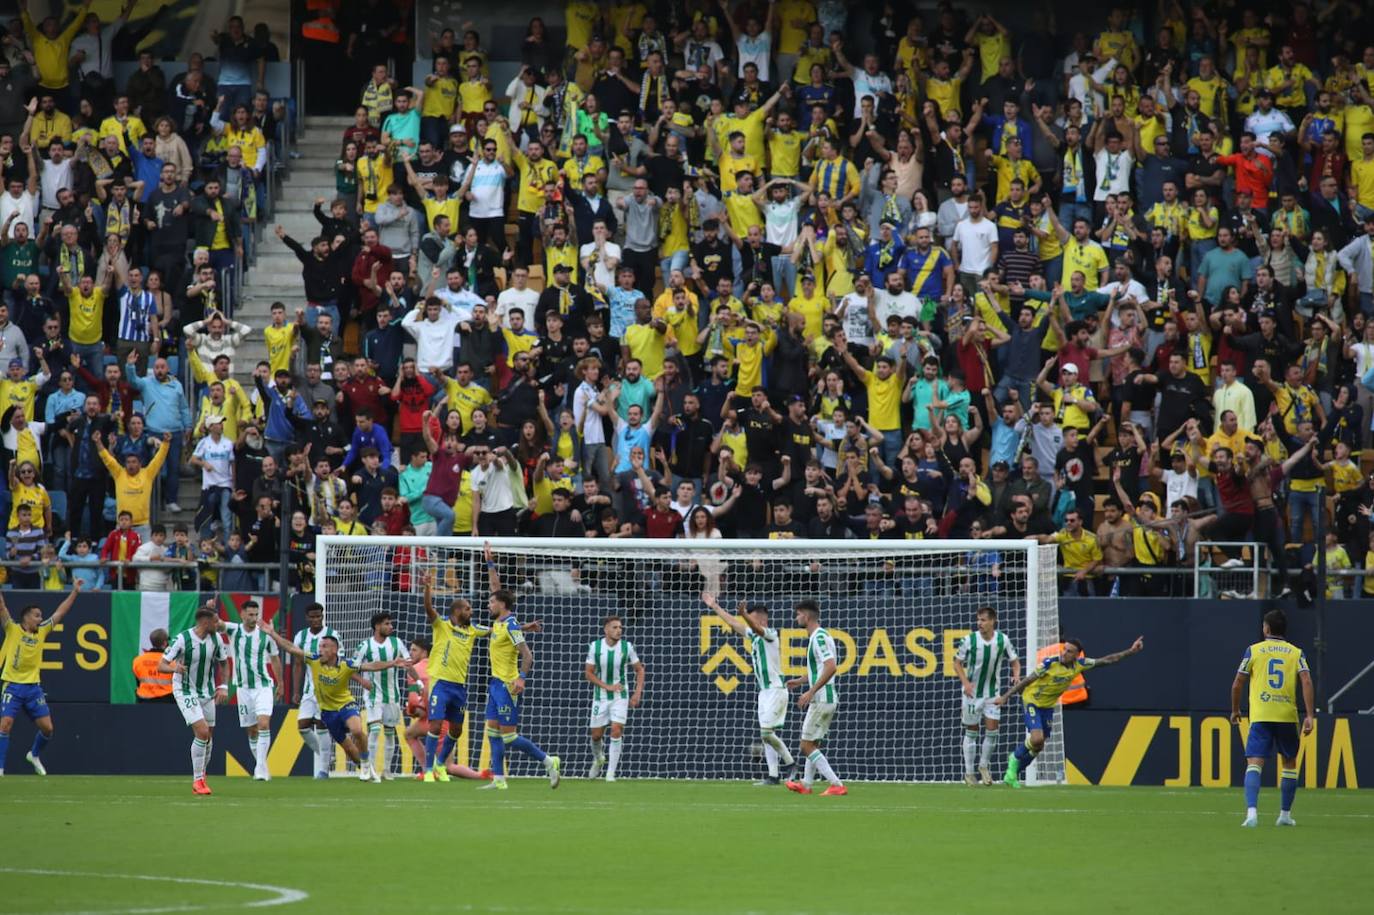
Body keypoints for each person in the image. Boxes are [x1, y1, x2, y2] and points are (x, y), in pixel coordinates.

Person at [263, 615, 409, 785]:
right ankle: (366, 768)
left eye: (324, 646)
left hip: (346, 704)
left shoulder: (346, 664)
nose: (320, 649)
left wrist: (392, 663)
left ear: (334, 650)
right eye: (319, 646)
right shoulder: (314, 660)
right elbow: (290, 648)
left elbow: (371, 665)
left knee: (356, 730)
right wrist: (272, 633)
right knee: (349, 749)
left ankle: (367, 764)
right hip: (327, 711)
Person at [995, 634, 1145, 788]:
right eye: (1064, 649)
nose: (1064, 653)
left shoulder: (1080, 664)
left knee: (1039, 746)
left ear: (1077, 655)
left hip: (1047, 706)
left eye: (1069, 651)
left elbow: (1107, 659)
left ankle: (1012, 773)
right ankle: (1014, 757)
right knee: (1036, 739)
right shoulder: (1050, 663)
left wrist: (1131, 651)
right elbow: (1027, 680)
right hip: (1032, 701)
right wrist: (1006, 696)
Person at [482, 542, 560, 790]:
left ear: (502, 605)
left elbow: (528, 655)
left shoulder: (511, 625)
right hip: (495, 684)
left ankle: (548, 761)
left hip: (507, 686)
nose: (488, 604)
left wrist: (521, 678)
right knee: (492, 732)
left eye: (492, 602)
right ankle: (498, 779)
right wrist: (490, 561)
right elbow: (496, 587)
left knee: (509, 736)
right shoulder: (501, 622)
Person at [1231, 608, 1315, 827]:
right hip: (1286, 715)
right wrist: (1309, 715)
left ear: (1266, 628)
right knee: (1289, 763)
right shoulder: (1296, 653)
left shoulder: (1254, 651)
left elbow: (1238, 682)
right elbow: (1306, 680)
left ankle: (1251, 814)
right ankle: (1285, 815)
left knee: (1254, 763)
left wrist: (1235, 710)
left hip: (1261, 715)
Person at [702, 593, 796, 786]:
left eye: (751, 616)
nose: (747, 620)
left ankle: (791, 764)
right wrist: (715, 607)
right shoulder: (754, 636)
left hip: (776, 689)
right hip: (764, 692)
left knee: (766, 733)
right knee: (769, 735)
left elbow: (750, 626)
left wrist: (744, 614)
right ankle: (773, 775)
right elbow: (734, 624)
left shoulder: (771, 634)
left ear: (761, 618)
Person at [0, 582, 83, 776]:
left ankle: (34, 754)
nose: (41, 619)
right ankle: (1, 769)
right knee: (5, 725)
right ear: (26, 618)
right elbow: (2, 607)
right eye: (37, 615)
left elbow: (60, 613)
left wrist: (75, 592)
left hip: (33, 688)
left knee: (48, 729)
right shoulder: (12, 629)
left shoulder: (43, 631)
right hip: (12, 686)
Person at [157, 606, 230, 795]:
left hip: (207, 692)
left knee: (209, 736)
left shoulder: (216, 639)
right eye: (215, 621)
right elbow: (161, 665)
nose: (218, 624)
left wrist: (223, 687)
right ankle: (197, 781)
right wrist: (175, 668)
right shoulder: (183, 639)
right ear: (205, 623)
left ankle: (202, 776)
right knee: (202, 731)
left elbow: (224, 664)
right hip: (185, 690)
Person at [952, 606, 1021, 786]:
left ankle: (983, 766)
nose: (979, 623)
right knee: (972, 731)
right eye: (978, 620)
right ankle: (969, 773)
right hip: (972, 694)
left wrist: (1016, 675)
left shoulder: (1002, 639)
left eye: (983, 620)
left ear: (992, 621)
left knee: (992, 731)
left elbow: (1015, 661)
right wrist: (965, 683)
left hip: (993, 693)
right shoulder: (969, 640)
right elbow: (957, 663)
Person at [784, 599, 846, 796]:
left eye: (798, 614)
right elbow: (820, 669)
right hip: (824, 697)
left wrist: (810, 691)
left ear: (807, 616)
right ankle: (807, 784)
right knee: (813, 743)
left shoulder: (818, 637)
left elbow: (831, 667)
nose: (796, 618)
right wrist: (802, 681)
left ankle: (836, 783)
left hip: (822, 698)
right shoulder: (820, 636)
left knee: (806, 745)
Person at [217, 599, 281, 782]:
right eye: (250, 614)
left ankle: (259, 769)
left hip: (263, 686)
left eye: (256, 614)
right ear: (242, 614)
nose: (254, 618)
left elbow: (275, 659)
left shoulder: (265, 635)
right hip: (243, 688)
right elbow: (217, 623)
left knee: (263, 723)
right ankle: (263, 765)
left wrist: (281, 683)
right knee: (252, 730)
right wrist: (211, 609)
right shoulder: (234, 630)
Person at [583, 614, 645, 783]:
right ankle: (598, 759)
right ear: (606, 630)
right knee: (596, 736)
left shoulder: (627, 647)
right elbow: (588, 673)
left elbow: (640, 670)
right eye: (615, 627)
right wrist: (606, 686)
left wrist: (637, 693)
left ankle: (611, 774)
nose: (619, 631)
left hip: (620, 696)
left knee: (616, 730)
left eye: (620, 628)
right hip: (600, 697)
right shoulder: (595, 647)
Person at [353, 610, 407, 780]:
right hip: (373, 696)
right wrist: (363, 682)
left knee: (390, 732)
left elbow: (407, 662)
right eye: (387, 623)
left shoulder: (396, 642)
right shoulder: (365, 646)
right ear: (377, 626)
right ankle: (371, 769)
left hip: (393, 696)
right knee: (375, 731)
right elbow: (351, 668)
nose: (391, 626)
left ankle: (387, 770)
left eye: (391, 623)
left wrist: (418, 684)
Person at [292, 602, 342, 779]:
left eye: (318, 616)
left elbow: (338, 662)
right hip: (308, 689)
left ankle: (323, 770)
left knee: (322, 725)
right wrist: (296, 690)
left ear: (322, 616)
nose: (315, 620)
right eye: (312, 617)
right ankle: (326, 756)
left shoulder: (332, 635)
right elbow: (298, 664)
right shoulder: (301, 636)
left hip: (326, 689)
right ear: (307, 618)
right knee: (302, 725)